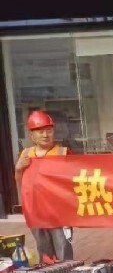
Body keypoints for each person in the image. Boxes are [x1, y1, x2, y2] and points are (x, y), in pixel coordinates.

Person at [14, 110, 74, 261]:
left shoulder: (62, 152)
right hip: (36, 212)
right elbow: (21, 183)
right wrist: (18, 169)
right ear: (32, 135)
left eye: (49, 130)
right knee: (44, 252)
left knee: (63, 249)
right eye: (40, 132)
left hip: (59, 213)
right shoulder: (26, 154)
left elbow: (73, 181)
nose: (45, 135)